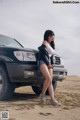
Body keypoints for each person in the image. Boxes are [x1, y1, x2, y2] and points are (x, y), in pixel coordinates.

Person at [37, 30, 61, 106]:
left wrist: (51, 64)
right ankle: (42, 95)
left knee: (50, 81)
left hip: (49, 63)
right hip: (43, 61)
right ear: (48, 36)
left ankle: (52, 99)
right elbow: (42, 54)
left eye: (54, 35)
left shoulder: (51, 45)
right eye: (52, 35)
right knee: (48, 78)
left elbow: (51, 56)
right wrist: (48, 64)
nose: (53, 37)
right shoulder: (45, 43)